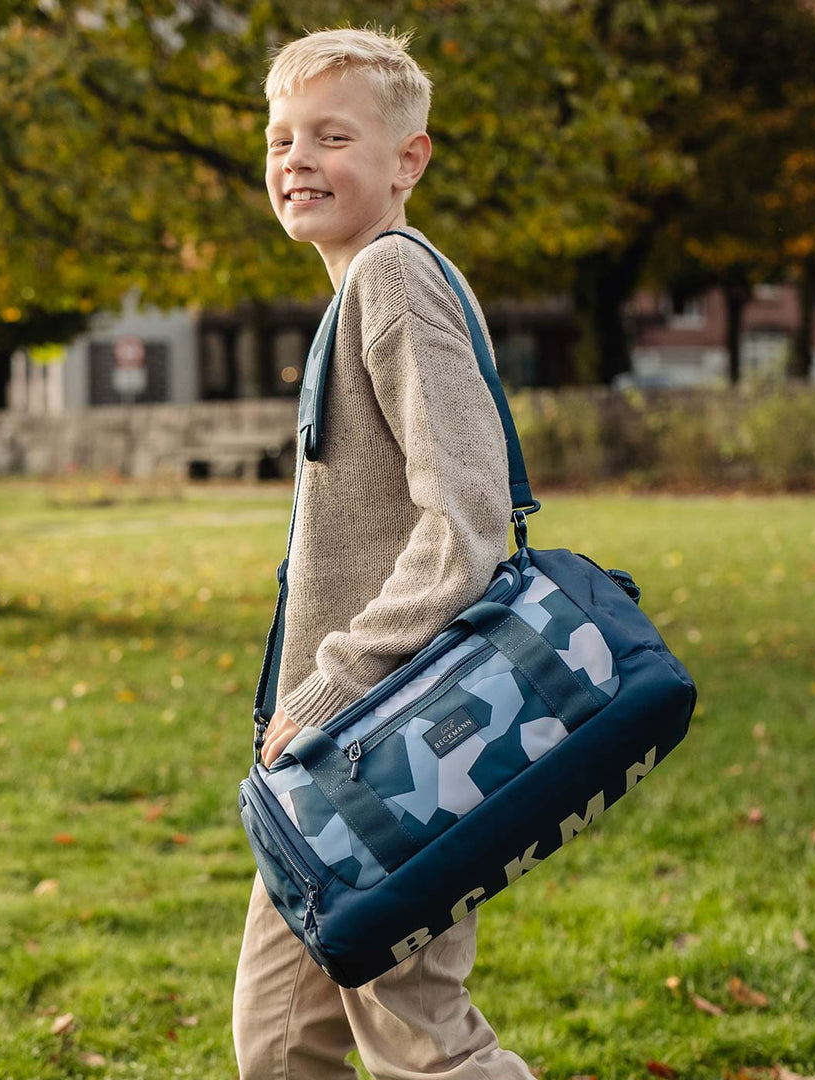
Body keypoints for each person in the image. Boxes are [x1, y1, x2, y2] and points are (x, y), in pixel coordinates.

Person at [232, 26, 535, 1080]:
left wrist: (333, 688)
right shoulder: (355, 290)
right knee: (281, 1041)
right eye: (279, 139)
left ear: (409, 160)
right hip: (327, 766)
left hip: (397, 750)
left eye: (331, 136)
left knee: (424, 1049)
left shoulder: (394, 279)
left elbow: (465, 528)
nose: (296, 160)